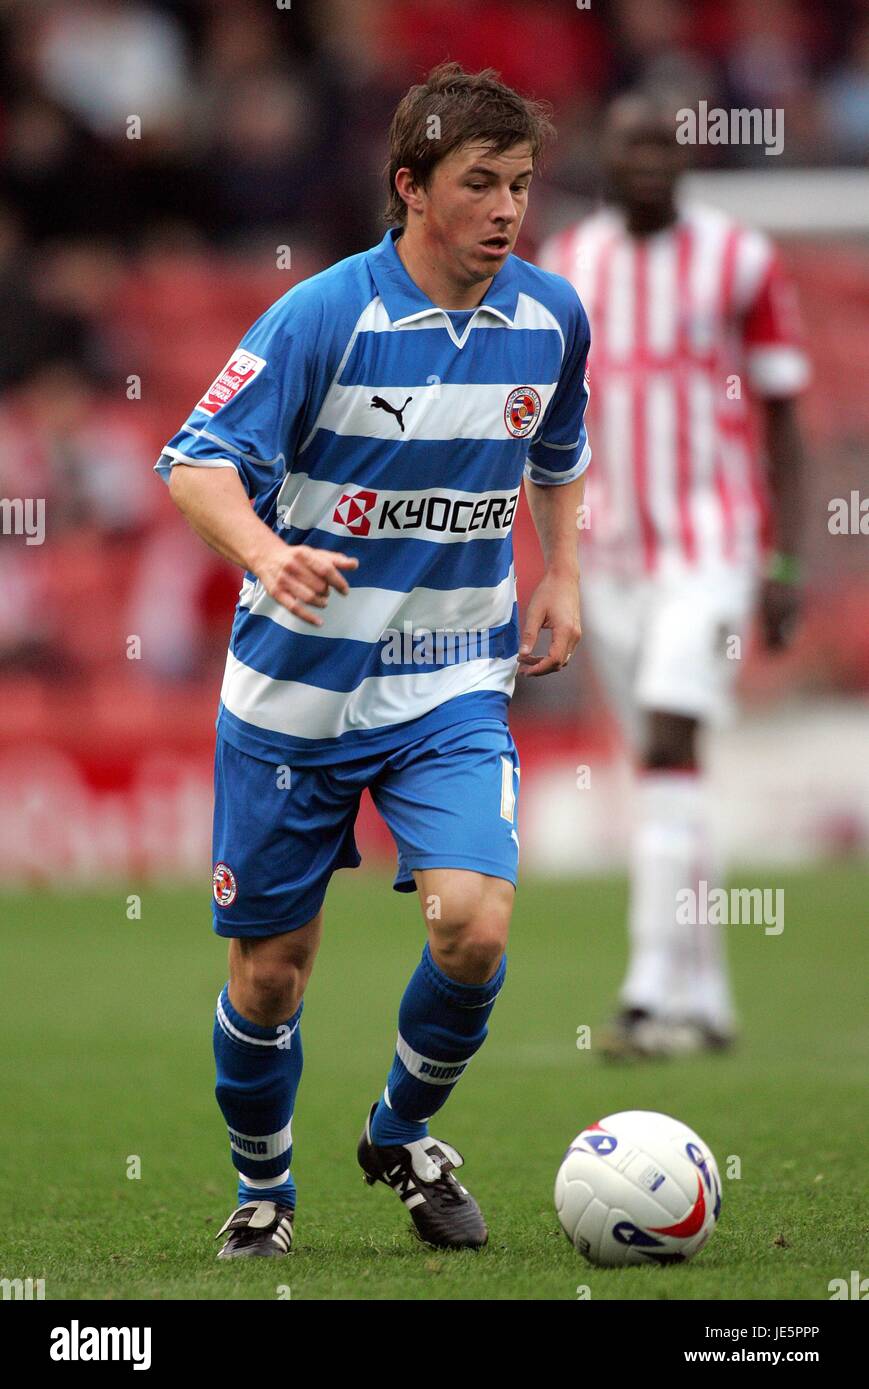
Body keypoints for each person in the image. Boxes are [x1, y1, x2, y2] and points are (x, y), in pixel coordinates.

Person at [156, 62, 591, 1256]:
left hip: (450, 680)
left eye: (519, 184)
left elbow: (558, 450)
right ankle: (264, 1190)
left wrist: (562, 573)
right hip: (296, 691)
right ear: (410, 187)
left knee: (475, 926)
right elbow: (193, 462)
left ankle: (398, 1133)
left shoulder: (550, 315)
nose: (507, 209)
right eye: (479, 184)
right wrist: (265, 551)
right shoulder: (322, 317)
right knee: (272, 982)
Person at [539, 92, 809, 1059]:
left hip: (711, 540)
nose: (650, 160)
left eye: (664, 144)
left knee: (667, 735)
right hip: (609, 552)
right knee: (665, 768)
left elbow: (781, 413)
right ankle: (710, 999)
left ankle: (651, 990)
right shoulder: (569, 265)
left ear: (686, 159)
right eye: (631, 145)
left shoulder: (740, 257)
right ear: (602, 159)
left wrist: (784, 560)